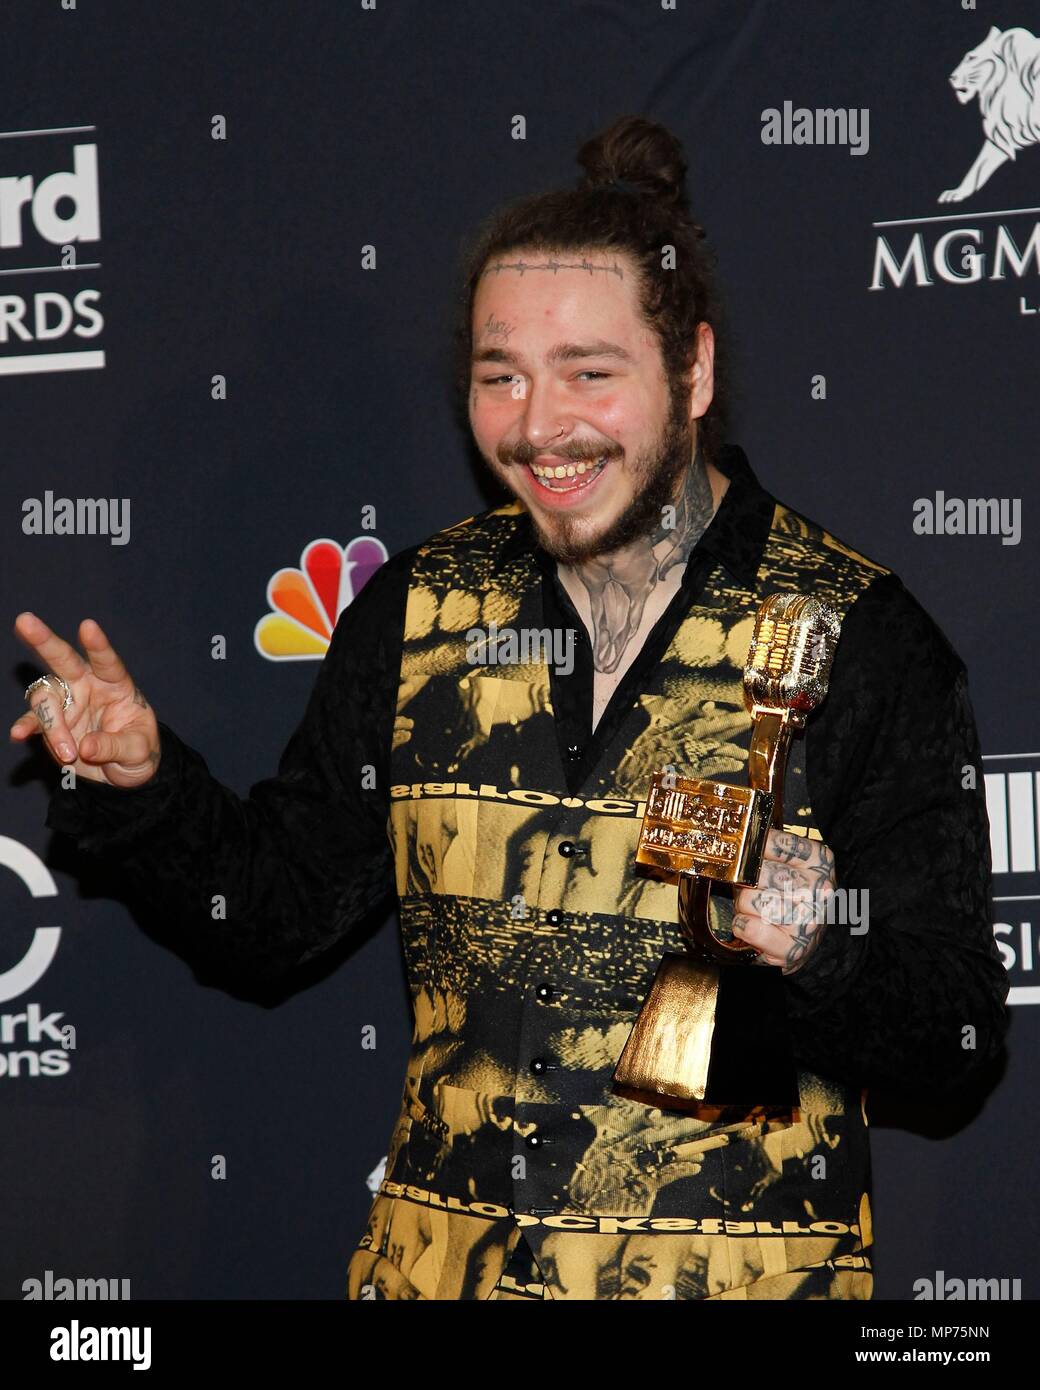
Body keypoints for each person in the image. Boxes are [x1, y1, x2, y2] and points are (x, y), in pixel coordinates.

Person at [11, 115, 1009, 1301]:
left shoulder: (860, 639)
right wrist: (143, 786)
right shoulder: (417, 610)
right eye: (500, 377)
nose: (539, 427)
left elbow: (955, 1042)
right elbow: (273, 913)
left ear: (689, 370)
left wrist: (809, 944)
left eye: (590, 371)